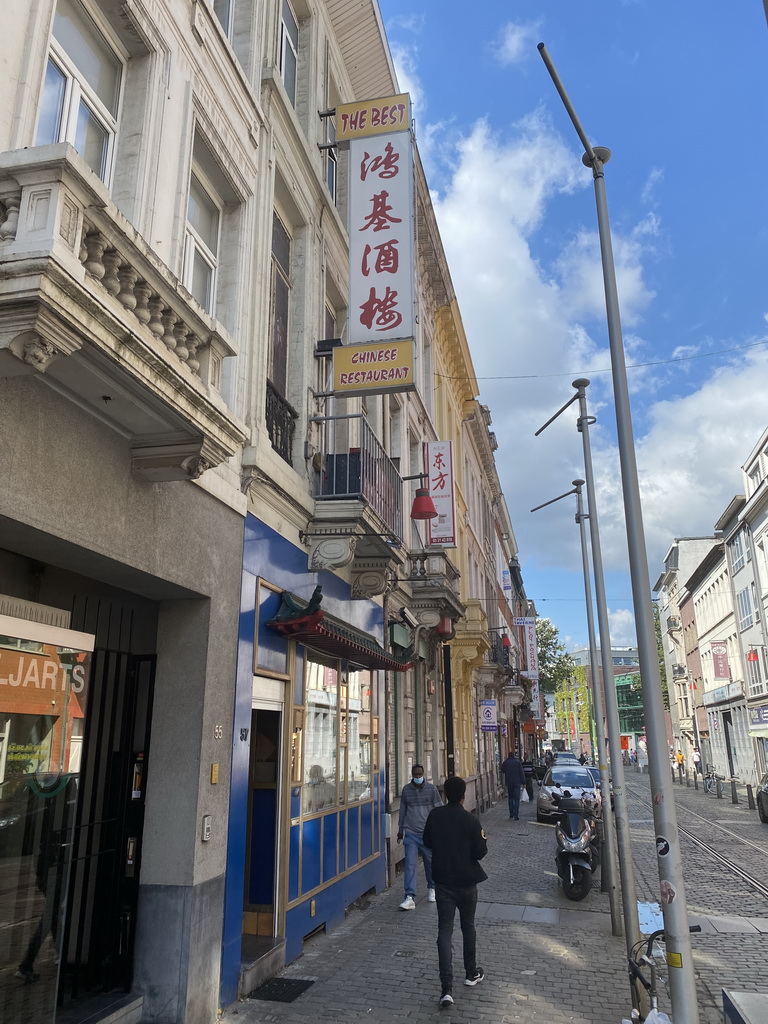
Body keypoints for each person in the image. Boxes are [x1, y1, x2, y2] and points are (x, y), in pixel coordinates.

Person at [423, 775, 487, 1008]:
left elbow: (427, 842)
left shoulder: (435, 816)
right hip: (467, 882)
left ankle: (446, 988)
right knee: (468, 926)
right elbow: (481, 852)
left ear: (444, 795)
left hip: (443, 882)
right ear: (462, 796)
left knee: (444, 931)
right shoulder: (471, 820)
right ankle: (470, 973)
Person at [397, 764, 443, 910]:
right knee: (410, 865)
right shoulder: (406, 790)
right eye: (415, 775)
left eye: (419, 774)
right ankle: (409, 897)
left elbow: (439, 809)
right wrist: (400, 830)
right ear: (411, 775)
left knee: (430, 864)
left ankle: (432, 888)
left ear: (423, 774)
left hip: (427, 834)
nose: (417, 777)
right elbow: (403, 811)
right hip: (410, 833)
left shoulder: (432, 790)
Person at [500, 750, 525, 820]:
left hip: (509, 782)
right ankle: (516, 814)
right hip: (517, 782)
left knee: (510, 798)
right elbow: (521, 772)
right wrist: (523, 782)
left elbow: (502, 770)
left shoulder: (506, 762)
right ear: (513, 756)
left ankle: (511, 813)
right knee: (516, 798)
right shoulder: (517, 762)